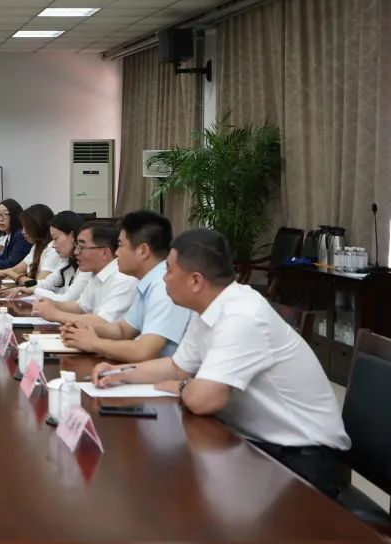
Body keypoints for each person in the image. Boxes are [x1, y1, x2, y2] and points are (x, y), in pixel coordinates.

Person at [92, 228, 350, 498]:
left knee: (174, 490)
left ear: (195, 281)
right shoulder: (208, 307)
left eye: (168, 270)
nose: (163, 277)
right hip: (254, 442)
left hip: (302, 459)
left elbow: (204, 400)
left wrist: (183, 386)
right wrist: (119, 372)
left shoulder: (242, 316)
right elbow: (176, 367)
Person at [60, 210, 192, 361]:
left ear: (143, 251)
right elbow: (123, 330)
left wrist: (94, 343)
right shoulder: (148, 282)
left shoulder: (164, 286)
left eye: (121, 245)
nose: (116, 253)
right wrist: (84, 329)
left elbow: (143, 351)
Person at [32, 220, 136, 325]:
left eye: (81, 247)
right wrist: (52, 304)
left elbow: (103, 322)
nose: (76, 252)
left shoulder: (123, 279)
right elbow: (81, 307)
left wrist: (56, 315)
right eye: (77, 246)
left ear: (105, 253)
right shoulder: (97, 274)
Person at [2, 211, 91, 303]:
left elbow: (67, 300)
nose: (53, 245)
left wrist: (33, 290)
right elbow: (45, 283)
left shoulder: (87, 267)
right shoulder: (67, 262)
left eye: (56, 239)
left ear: (72, 236)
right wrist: (16, 289)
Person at [0, 204, 57, 284]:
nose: (23, 232)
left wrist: (7, 273)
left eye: (27, 227)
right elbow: (16, 270)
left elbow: (38, 284)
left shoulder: (52, 249)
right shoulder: (37, 246)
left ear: (39, 226)